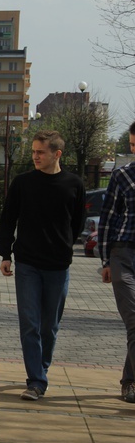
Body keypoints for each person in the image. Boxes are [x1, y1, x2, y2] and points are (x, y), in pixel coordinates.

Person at [0, 130, 85, 401]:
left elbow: (77, 223)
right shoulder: (23, 183)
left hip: (58, 266)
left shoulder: (73, 184)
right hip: (27, 265)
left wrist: (63, 245)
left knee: (50, 326)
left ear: (56, 154)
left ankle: (41, 368)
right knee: (30, 324)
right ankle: (36, 380)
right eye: (33, 151)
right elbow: (8, 219)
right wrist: (5, 254)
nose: (35, 156)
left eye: (40, 152)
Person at [100, 121, 135, 403]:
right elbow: (109, 219)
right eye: (133, 146)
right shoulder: (122, 175)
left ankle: (128, 382)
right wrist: (105, 260)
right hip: (123, 254)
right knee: (134, 320)